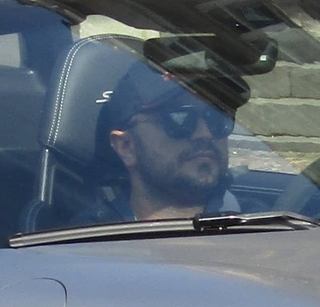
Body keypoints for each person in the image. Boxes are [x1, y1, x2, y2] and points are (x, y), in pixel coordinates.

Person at [101, 66, 236, 222]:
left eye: (216, 118)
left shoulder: (260, 224)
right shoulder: (88, 240)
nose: (205, 134)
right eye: (179, 119)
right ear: (126, 146)